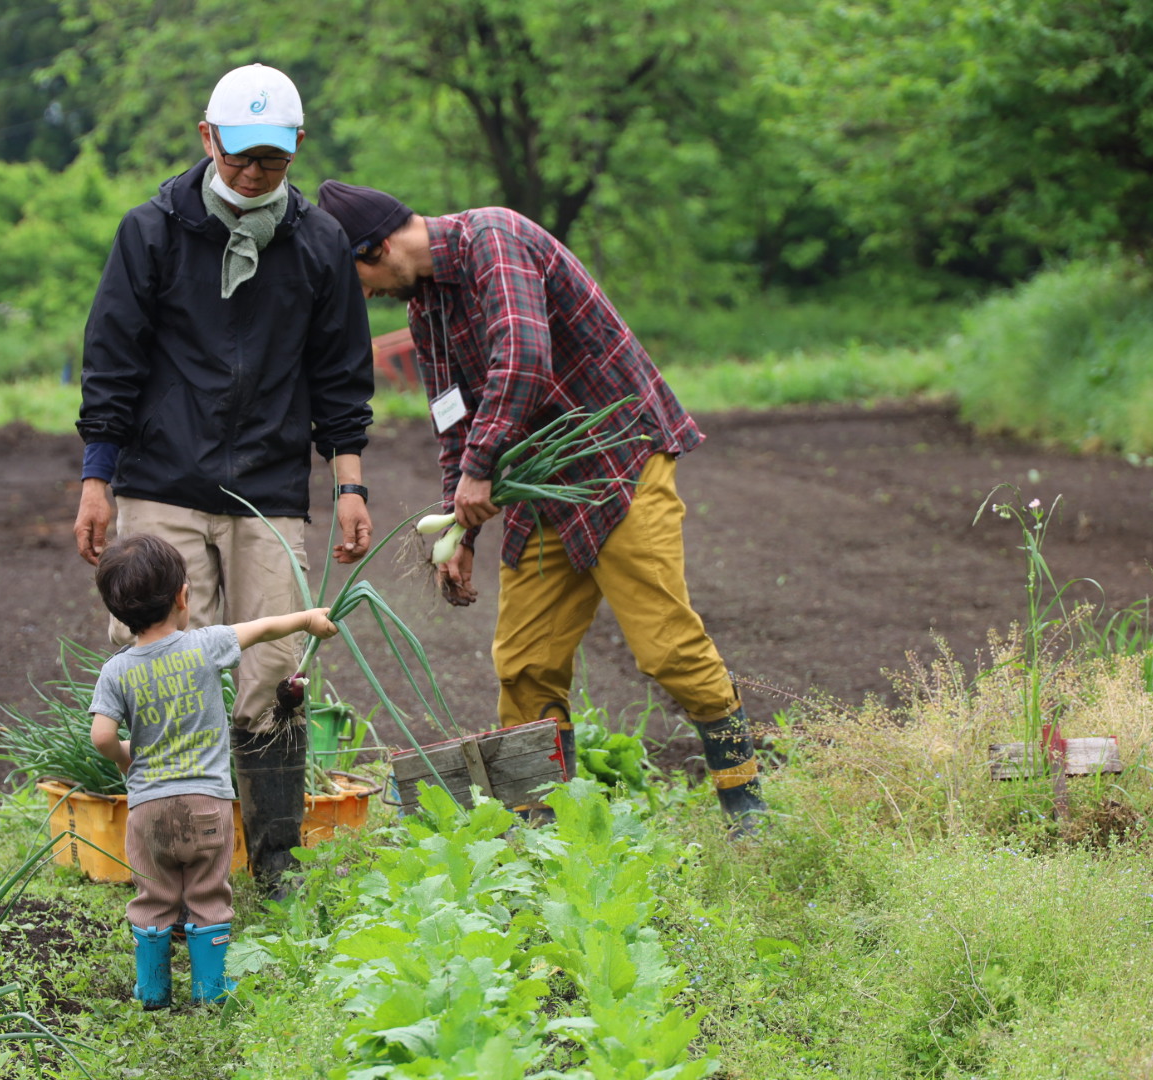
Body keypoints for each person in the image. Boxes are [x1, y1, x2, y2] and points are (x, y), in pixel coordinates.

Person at [315, 181, 769, 834]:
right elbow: (454, 423)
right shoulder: (427, 311)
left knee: (665, 648)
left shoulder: (492, 241)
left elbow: (524, 360)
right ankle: (547, 832)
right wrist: (457, 530)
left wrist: (478, 472)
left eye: (358, 278)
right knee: (525, 664)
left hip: (616, 464)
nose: (364, 295)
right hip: (539, 490)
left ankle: (745, 803)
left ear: (378, 247)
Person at [74, 63, 375, 892]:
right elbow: (112, 362)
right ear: (208, 139)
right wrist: (98, 479)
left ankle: (274, 851)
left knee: (273, 675)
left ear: (296, 149)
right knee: (172, 669)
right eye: (239, 156)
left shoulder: (317, 246)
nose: (251, 174)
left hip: (270, 492)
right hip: (163, 480)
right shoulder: (153, 232)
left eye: (270, 161)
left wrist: (349, 485)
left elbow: (341, 377)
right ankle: (174, 851)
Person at [87, 534, 338, 1007]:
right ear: (184, 597)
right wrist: (307, 618)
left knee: (154, 896)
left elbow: (102, 736)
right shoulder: (206, 645)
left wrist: (127, 757)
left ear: (119, 614)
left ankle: (154, 989)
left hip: (148, 809)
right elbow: (261, 629)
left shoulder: (116, 671)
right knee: (206, 892)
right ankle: (210, 989)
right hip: (207, 803)